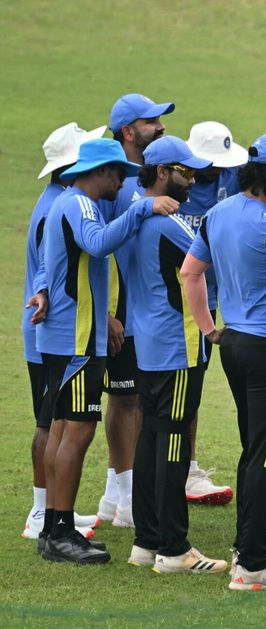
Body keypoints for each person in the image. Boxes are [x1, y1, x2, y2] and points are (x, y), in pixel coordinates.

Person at [181, 132, 266, 590]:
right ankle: (253, 565)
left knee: (255, 451)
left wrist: (208, 329)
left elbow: (190, 272)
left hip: (234, 345)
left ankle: (248, 550)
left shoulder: (217, 213)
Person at [34, 138, 178, 563]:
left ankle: (53, 528)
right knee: (76, 432)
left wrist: (43, 289)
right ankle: (60, 531)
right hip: (76, 340)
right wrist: (142, 210)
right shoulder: (79, 205)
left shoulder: (68, 203)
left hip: (68, 338)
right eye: (119, 174)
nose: (124, 182)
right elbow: (97, 244)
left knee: (62, 430)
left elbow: (52, 258)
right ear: (101, 172)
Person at [125, 136, 229, 573]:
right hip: (179, 347)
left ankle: (146, 542)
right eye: (186, 172)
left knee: (150, 440)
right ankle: (174, 549)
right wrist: (209, 329)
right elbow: (200, 269)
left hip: (149, 345)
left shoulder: (136, 218)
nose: (194, 179)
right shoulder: (169, 224)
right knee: (173, 444)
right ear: (164, 172)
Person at [21, 123, 106, 542]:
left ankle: (50, 514)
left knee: (56, 423)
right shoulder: (62, 206)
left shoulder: (58, 200)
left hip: (53, 326)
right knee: (53, 424)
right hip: (57, 332)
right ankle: (42, 514)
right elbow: (51, 265)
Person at [98, 93, 175, 529]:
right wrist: (110, 312)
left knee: (138, 396)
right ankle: (126, 492)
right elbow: (99, 248)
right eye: (152, 122)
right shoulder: (113, 181)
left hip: (146, 306)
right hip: (123, 306)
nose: (160, 127)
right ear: (129, 131)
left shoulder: (142, 177)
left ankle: (117, 492)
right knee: (125, 398)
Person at [179, 120, 247, 507]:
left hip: (220, 299)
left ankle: (186, 469)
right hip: (178, 304)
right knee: (177, 390)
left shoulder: (232, 177)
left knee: (194, 387)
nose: (219, 170)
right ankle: (178, 470)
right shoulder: (176, 187)